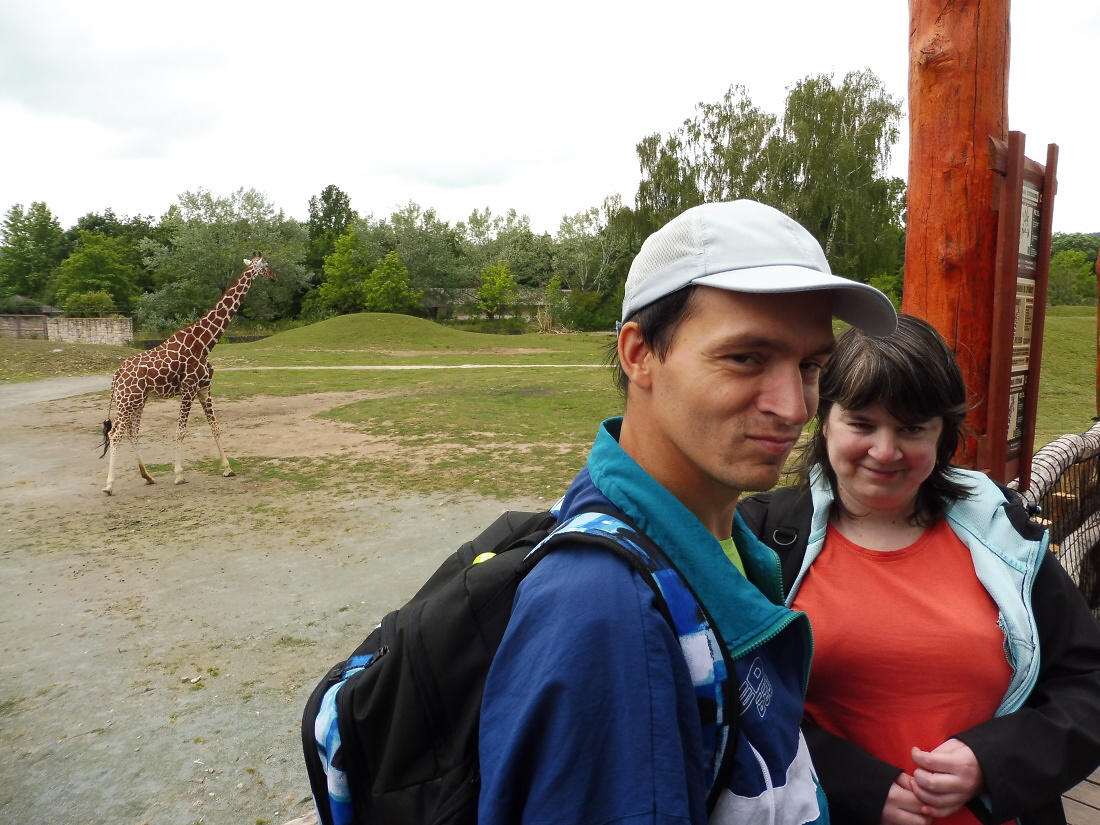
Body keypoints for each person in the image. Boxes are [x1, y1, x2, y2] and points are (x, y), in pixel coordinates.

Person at [476, 200, 897, 825]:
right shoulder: (607, 611)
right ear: (639, 353)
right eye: (746, 358)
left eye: (810, 365)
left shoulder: (721, 539)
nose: (794, 407)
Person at [738, 315, 1100, 825]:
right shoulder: (762, 539)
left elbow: (1086, 683)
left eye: (911, 428)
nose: (885, 451)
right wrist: (858, 787)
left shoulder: (1003, 535)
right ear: (825, 418)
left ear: (943, 432)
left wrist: (992, 760)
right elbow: (735, 700)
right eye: (862, 424)